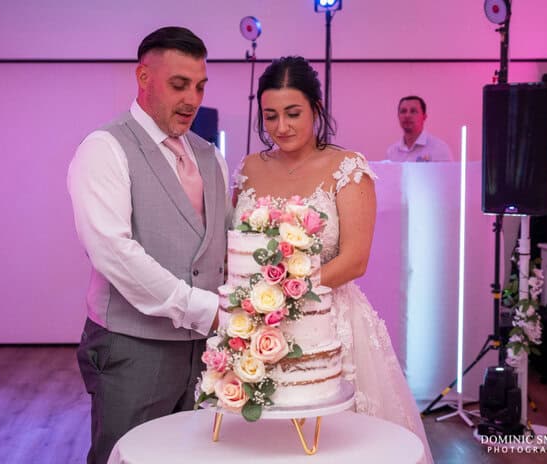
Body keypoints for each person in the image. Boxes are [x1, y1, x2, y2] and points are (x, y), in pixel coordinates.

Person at [233, 57, 433, 463]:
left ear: (316, 110)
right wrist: (255, 306)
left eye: (293, 113)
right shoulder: (250, 168)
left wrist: (285, 296)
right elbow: (235, 247)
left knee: (333, 444)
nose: (281, 127)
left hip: (329, 323)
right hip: (255, 327)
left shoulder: (347, 168)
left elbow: (355, 260)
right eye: (270, 116)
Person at [67, 26, 229, 464]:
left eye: (199, 86)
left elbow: (222, 246)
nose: (192, 99)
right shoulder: (104, 148)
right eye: (179, 85)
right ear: (143, 77)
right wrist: (203, 310)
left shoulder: (211, 156)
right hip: (133, 349)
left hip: (208, 352)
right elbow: (114, 253)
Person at [386, 95, 453, 162]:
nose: (407, 115)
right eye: (403, 111)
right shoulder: (392, 152)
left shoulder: (439, 149)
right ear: (398, 116)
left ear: (424, 117)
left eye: (413, 111)